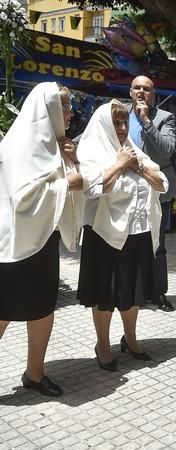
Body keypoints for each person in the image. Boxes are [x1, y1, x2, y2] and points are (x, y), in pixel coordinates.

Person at [0, 82, 82, 397]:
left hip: (43, 237)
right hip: (15, 244)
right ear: (49, 109)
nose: (71, 113)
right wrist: (67, 183)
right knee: (4, 310)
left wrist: (71, 162)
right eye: (66, 107)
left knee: (43, 308)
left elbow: (64, 182)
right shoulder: (23, 143)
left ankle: (35, 373)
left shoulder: (53, 143)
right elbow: (23, 199)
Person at [77, 100, 168, 371]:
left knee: (133, 292)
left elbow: (162, 182)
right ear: (104, 123)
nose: (121, 127)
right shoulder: (92, 151)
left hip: (138, 232)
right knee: (105, 294)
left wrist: (137, 167)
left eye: (124, 122)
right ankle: (102, 345)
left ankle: (130, 339)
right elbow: (95, 187)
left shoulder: (133, 150)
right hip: (105, 235)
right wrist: (119, 165)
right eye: (116, 122)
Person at [127, 75, 176, 311]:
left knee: (157, 243)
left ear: (153, 94)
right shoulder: (120, 114)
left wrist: (146, 120)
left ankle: (158, 293)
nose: (141, 92)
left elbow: (167, 150)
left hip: (157, 188)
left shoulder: (164, 118)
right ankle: (134, 289)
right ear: (130, 92)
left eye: (146, 89)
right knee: (129, 240)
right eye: (137, 88)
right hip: (127, 189)